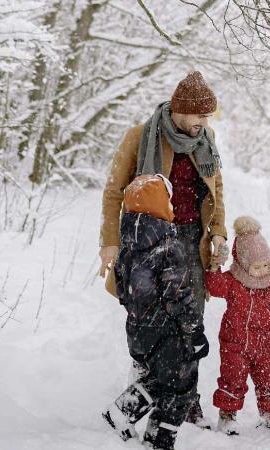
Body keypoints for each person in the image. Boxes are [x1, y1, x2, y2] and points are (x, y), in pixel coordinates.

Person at [97, 71, 228, 426]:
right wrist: (109, 242)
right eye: (199, 115)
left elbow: (216, 190)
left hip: (193, 241)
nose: (204, 122)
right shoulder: (141, 137)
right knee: (151, 322)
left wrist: (218, 232)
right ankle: (145, 390)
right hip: (148, 241)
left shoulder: (207, 139)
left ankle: (187, 401)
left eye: (207, 116)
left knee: (190, 321)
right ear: (181, 111)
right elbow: (114, 191)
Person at [101, 175, 209, 450]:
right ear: (162, 206)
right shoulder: (168, 246)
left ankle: (141, 426)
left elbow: (122, 291)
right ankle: (155, 436)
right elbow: (178, 295)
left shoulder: (128, 245)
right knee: (180, 384)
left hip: (137, 328)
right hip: (168, 329)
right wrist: (194, 330)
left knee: (160, 380)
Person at [204, 216, 270, 436]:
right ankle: (227, 418)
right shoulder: (233, 281)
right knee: (232, 379)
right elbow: (214, 285)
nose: (263, 270)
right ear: (244, 265)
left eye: (266, 263)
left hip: (263, 343)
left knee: (269, 377)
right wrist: (215, 265)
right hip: (234, 344)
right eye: (257, 266)